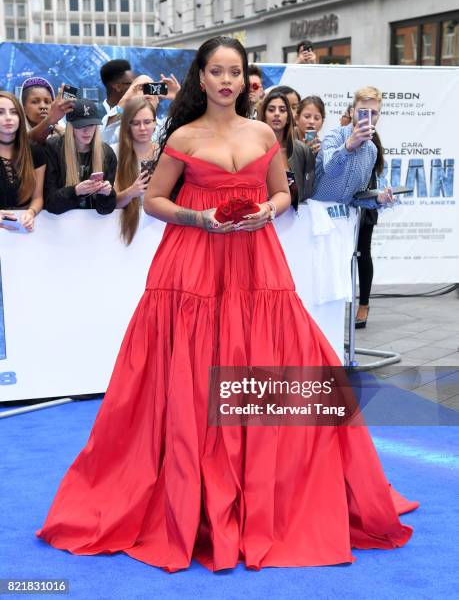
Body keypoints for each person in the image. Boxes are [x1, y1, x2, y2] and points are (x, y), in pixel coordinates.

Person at [36, 37, 417, 573]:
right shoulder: (184, 136)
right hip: (192, 265)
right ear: (202, 76)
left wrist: (269, 208)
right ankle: (193, 499)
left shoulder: (263, 132)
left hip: (257, 261)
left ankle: (269, 489)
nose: (226, 81)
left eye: (234, 72)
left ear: (244, 78)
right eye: (216, 71)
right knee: (190, 375)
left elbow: (283, 191)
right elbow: (155, 200)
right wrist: (199, 218)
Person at [312, 86, 393, 328]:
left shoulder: (371, 150)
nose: (368, 118)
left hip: (341, 224)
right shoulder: (335, 136)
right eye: (362, 112)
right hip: (313, 218)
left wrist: (378, 199)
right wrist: (349, 145)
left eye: (374, 113)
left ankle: (333, 341)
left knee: (336, 286)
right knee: (315, 283)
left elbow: (354, 197)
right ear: (352, 111)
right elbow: (330, 168)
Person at [44, 99, 117, 215]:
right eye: (80, 125)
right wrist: (75, 191)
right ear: (70, 126)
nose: (86, 131)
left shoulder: (107, 153)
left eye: (91, 125)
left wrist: (107, 193)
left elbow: (105, 209)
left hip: (93, 225)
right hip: (58, 225)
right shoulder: (53, 149)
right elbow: (50, 203)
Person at [114, 97, 159, 244]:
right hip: (122, 230)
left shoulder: (164, 153)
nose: (142, 128)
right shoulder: (115, 153)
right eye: (135, 123)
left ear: (155, 123)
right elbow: (112, 203)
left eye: (147, 122)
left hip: (158, 227)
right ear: (127, 125)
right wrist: (132, 192)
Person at [258, 89, 315, 205]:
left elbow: (307, 192)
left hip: (295, 218)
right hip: (261, 215)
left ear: (289, 117)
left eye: (282, 110)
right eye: (271, 109)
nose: (277, 113)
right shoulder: (252, 149)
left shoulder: (302, 150)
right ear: (264, 115)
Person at [0, 91, 46, 232]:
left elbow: (38, 197)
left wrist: (31, 212)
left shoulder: (35, 151)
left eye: (13, 112)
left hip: (23, 230)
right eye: (1, 112)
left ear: (20, 116)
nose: (8, 118)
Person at [20, 77, 75, 144]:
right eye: (35, 102)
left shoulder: (62, 131)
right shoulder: (14, 131)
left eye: (47, 102)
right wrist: (50, 120)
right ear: (23, 108)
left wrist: (66, 137)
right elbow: (27, 141)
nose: (43, 106)